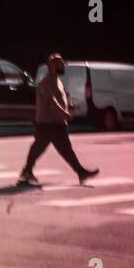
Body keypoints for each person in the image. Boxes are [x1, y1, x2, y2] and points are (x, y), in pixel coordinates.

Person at [20, 53, 98, 186]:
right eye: (61, 64)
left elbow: (60, 99)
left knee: (58, 149)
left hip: (56, 122)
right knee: (41, 148)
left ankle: (27, 172)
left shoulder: (57, 81)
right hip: (48, 123)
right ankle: (27, 172)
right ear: (53, 66)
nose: (63, 67)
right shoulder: (46, 83)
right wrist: (65, 112)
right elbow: (52, 101)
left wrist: (69, 106)